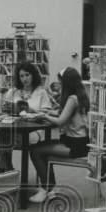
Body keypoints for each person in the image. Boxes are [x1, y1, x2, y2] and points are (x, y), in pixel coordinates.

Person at [28, 67, 90, 203]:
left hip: (75, 145)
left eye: (61, 82)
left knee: (35, 150)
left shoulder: (72, 99)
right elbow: (62, 114)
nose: (59, 85)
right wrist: (47, 113)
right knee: (41, 148)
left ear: (67, 82)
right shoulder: (79, 96)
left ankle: (46, 189)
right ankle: (49, 188)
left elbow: (61, 120)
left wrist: (43, 115)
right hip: (79, 141)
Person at [0, 61, 55, 171]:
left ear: (33, 75)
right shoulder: (13, 91)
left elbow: (47, 114)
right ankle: (5, 169)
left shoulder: (42, 92)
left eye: (27, 75)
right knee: (3, 134)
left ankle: (5, 171)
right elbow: (5, 110)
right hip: (14, 127)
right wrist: (7, 109)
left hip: (33, 131)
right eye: (21, 76)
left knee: (5, 137)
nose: (24, 79)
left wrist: (30, 110)